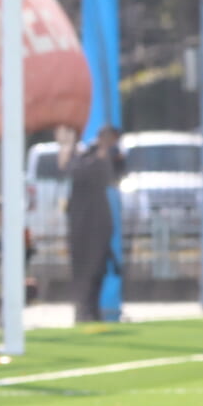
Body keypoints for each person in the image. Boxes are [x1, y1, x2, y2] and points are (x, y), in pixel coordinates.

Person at [57, 124, 123, 323]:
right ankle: (82, 310)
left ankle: (93, 310)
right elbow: (69, 169)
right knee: (82, 267)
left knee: (98, 267)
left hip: (98, 220)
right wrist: (67, 145)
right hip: (80, 219)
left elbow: (112, 174)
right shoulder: (85, 155)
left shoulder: (113, 157)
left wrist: (104, 155)